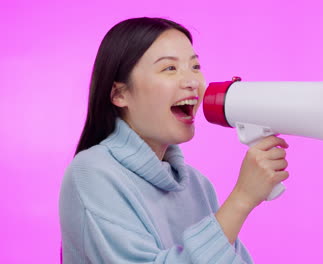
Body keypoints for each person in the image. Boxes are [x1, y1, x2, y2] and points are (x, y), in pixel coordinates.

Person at [59, 17, 289, 263]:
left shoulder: (197, 186)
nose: (192, 82)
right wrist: (242, 199)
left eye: (195, 67)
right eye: (169, 68)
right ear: (120, 94)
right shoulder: (93, 173)